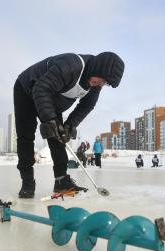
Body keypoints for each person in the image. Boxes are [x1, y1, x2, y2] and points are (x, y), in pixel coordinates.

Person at [14, 52, 125, 198]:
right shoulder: (72, 65)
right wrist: (50, 119)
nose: (101, 84)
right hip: (27, 89)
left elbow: (87, 106)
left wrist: (70, 125)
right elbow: (41, 88)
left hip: (50, 98)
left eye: (105, 83)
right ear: (97, 68)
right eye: (102, 80)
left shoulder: (95, 85)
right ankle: (27, 182)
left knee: (59, 136)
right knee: (26, 135)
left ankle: (61, 181)